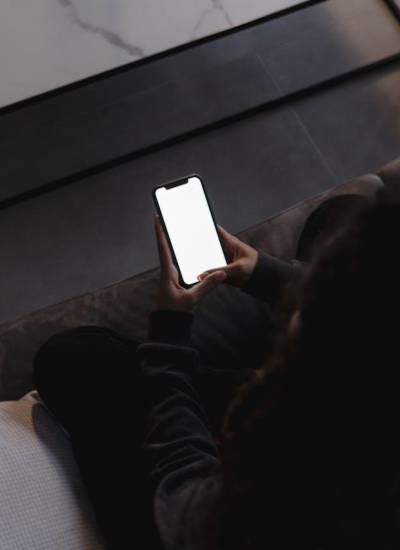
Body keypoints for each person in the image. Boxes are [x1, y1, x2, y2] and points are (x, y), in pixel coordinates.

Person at [34, 189, 400, 549]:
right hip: (306, 405)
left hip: (190, 519)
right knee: (345, 212)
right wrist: (260, 272)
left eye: (306, 318)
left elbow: (186, 497)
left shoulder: (307, 493)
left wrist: (169, 333)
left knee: (71, 358)